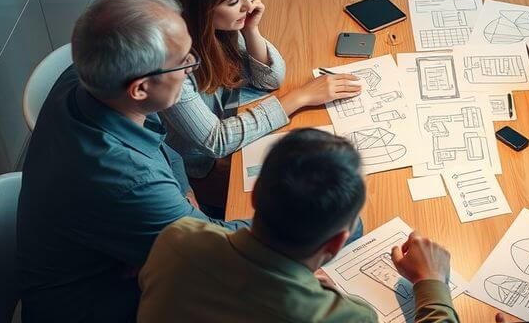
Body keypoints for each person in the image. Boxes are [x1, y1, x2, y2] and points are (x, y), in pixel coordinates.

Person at [17, 0, 250, 322]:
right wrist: (337, 222)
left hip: (116, 266)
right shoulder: (128, 180)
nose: (191, 70)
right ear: (140, 88)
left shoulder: (88, 80)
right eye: (184, 61)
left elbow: (165, 148)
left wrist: (182, 198)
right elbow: (225, 255)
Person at [137, 128, 460, 322]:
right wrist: (431, 280)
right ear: (336, 244)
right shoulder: (345, 317)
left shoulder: (176, 240)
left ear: (254, 197)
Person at [148, 0, 361, 206]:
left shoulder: (210, 27)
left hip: (226, 121)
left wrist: (251, 31)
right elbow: (216, 140)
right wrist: (300, 97)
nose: (249, 5)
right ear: (200, 7)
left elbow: (270, 80)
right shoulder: (169, 61)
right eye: (235, 0)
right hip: (198, 170)